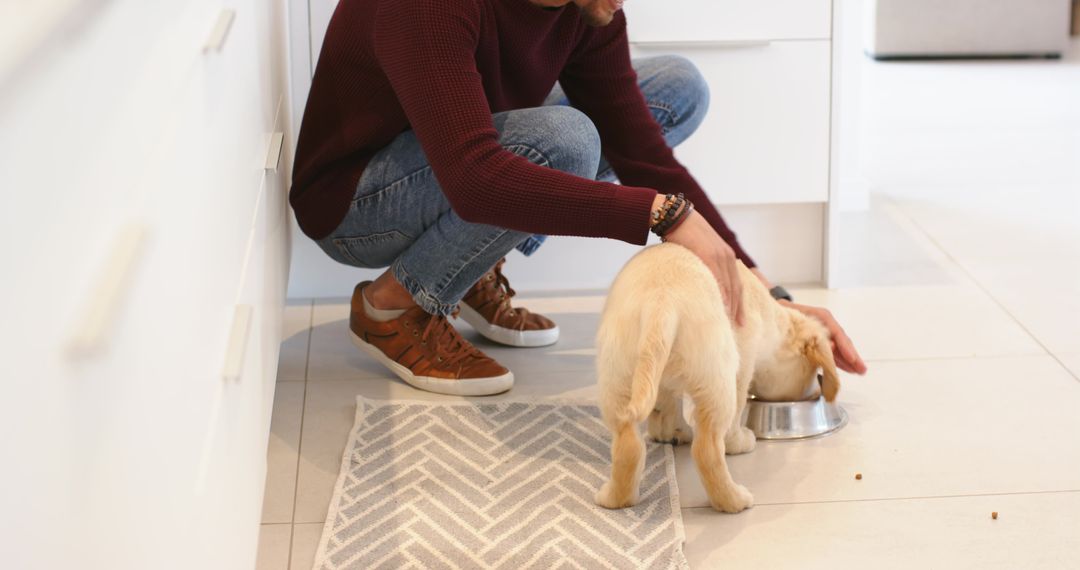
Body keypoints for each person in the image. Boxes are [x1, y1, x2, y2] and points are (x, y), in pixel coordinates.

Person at [290, 0, 868, 396]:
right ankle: (395, 306)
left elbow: (646, 156)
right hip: (356, 199)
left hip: (456, 154)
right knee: (566, 141)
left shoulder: (584, 9)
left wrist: (768, 295)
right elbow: (473, 177)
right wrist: (660, 215)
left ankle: (467, 265)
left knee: (675, 89)